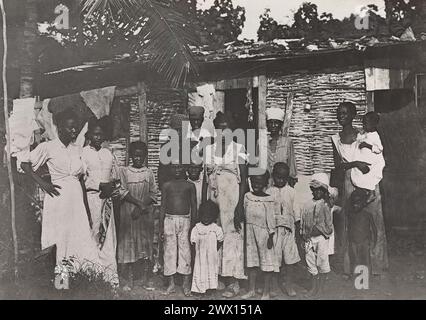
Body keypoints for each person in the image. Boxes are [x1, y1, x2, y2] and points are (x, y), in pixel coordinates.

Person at [20, 109, 100, 287]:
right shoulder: (48, 147)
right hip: (58, 200)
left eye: (76, 128)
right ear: (60, 128)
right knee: (60, 239)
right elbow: (25, 165)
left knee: (78, 236)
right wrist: (43, 183)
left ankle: (80, 280)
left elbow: (80, 180)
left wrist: (86, 208)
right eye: (70, 128)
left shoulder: (77, 149)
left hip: (76, 201)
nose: (74, 131)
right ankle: (61, 282)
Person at [331, 102, 388, 276]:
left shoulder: (363, 135)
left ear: (353, 115)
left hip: (368, 180)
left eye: (345, 113)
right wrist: (355, 163)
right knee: (351, 222)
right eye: (339, 113)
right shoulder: (335, 138)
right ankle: (352, 266)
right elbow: (338, 166)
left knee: (375, 221)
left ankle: (377, 265)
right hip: (349, 181)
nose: (342, 116)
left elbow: (376, 157)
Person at [204, 111, 248, 298]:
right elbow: (206, 180)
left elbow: (244, 179)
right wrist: (204, 204)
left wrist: (240, 206)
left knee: (232, 235)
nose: (222, 131)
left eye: (226, 127)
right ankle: (218, 276)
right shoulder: (208, 149)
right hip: (214, 198)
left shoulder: (239, 149)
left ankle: (233, 280)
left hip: (232, 199)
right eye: (219, 128)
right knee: (215, 235)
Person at [82, 116, 125, 285]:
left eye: (101, 134)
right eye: (95, 134)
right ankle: (94, 274)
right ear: (90, 135)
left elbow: (116, 176)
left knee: (108, 236)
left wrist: (113, 187)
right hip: (92, 199)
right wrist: (99, 184)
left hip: (107, 201)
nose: (98, 137)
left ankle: (109, 277)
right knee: (94, 232)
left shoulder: (108, 154)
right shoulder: (84, 154)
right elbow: (81, 179)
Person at [116, 141, 158, 291]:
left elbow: (153, 193)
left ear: (145, 156)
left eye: (141, 156)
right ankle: (127, 279)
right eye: (135, 155)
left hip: (144, 214)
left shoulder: (149, 172)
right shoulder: (124, 171)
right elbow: (122, 191)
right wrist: (137, 204)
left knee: (144, 244)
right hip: (129, 213)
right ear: (131, 156)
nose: (138, 159)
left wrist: (141, 207)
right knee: (128, 243)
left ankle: (146, 279)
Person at [160, 161, 197, 296]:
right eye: (174, 167)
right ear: (170, 169)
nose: (177, 169)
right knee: (169, 252)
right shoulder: (167, 185)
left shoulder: (190, 186)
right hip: (169, 220)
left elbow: (194, 206)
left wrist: (193, 226)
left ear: (184, 168)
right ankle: (171, 285)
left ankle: (186, 285)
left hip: (185, 221)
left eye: (179, 166)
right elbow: (163, 206)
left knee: (185, 251)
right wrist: (160, 228)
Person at [266, 162, 301, 297]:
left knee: (290, 260)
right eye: (278, 177)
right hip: (274, 232)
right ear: (273, 176)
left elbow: (296, 212)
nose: (280, 180)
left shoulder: (292, 192)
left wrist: (297, 231)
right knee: (275, 259)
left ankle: (289, 284)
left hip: (289, 231)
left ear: (287, 178)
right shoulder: (269, 192)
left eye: (283, 178)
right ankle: (274, 286)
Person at [241, 171, 276, 300]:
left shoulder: (269, 199)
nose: (256, 185)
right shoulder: (247, 196)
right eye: (254, 182)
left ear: (265, 183)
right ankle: (251, 290)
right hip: (250, 233)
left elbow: (271, 219)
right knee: (251, 262)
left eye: (260, 182)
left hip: (264, 234)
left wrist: (271, 236)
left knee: (266, 263)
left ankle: (266, 292)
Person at [300, 173, 333, 298]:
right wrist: (303, 234)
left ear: (324, 191)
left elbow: (329, 227)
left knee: (322, 263)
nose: (317, 192)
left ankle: (320, 290)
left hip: (321, 239)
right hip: (309, 239)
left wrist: (318, 230)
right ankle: (313, 288)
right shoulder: (307, 204)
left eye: (320, 189)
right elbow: (303, 221)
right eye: (315, 189)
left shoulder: (325, 205)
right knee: (311, 263)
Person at [190, 200, 224, 296]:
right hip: (200, 257)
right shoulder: (196, 228)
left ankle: (211, 290)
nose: (206, 219)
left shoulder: (216, 228)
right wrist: (197, 253)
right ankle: (199, 290)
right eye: (203, 216)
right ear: (200, 215)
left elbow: (220, 241)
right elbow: (193, 243)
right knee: (200, 271)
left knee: (211, 271)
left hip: (211, 257)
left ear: (214, 217)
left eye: (209, 217)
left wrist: (213, 251)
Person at [351, 111, 385, 202]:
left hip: (373, 161)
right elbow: (359, 139)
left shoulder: (375, 136)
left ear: (373, 125)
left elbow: (379, 149)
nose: (364, 126)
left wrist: (368, 146)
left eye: (366, 124)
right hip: (365, 159)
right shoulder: (365, 133)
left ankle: (371, 193)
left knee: (369, 177)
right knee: (358, 174)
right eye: (363, 124)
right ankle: (363, 192)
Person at [264, 107, 298, 187]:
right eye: (270, 122)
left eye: (276, 123)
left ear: (281, 125)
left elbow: (291, 166)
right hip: (266, 186)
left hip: (283, 186)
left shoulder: (287, 142)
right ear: (267, 124)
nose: (273, 125)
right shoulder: (261, 142)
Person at [347, 188, 377, 276]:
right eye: (354, 203)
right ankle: (356, 280)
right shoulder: (351, 214)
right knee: (354, 260)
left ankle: (366, 280)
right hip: (353, 242)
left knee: (366, 261)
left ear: (363, 203)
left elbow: (374, 229)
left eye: (358, 202)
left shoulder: (367, 215)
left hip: (365, 241)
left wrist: (373, 242)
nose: (356, 205)